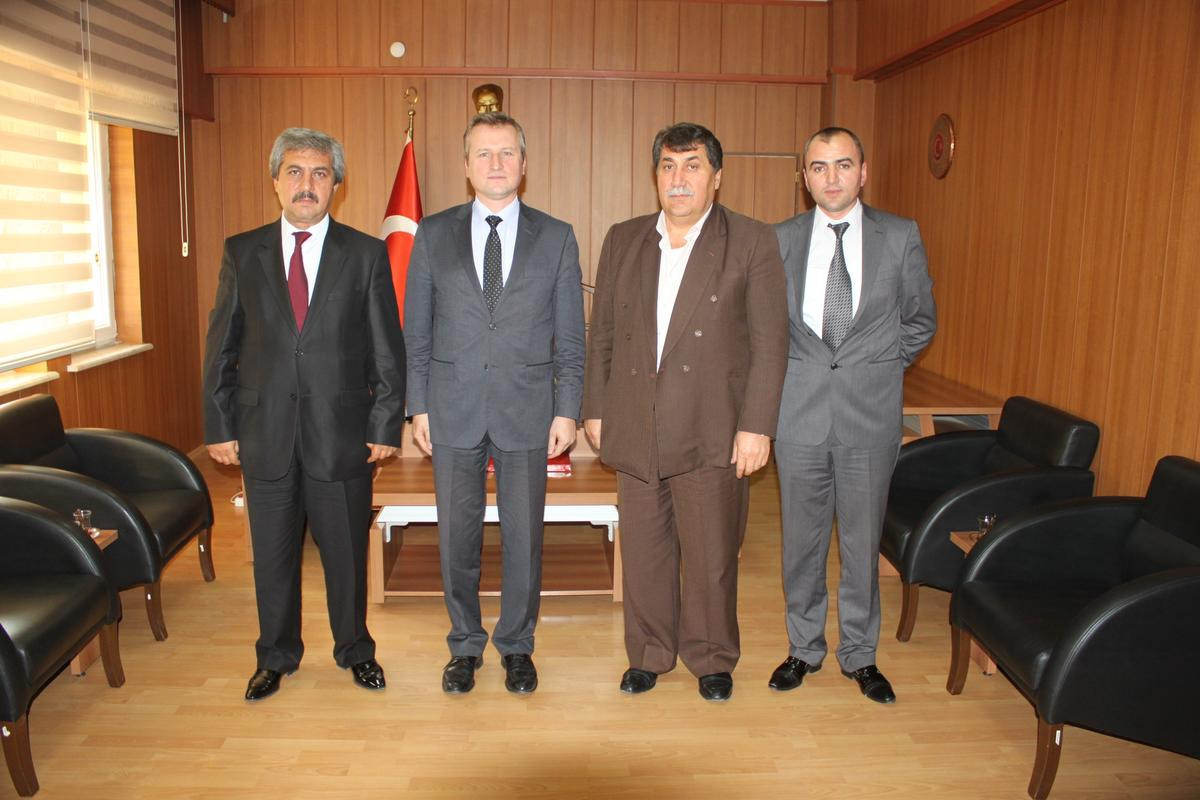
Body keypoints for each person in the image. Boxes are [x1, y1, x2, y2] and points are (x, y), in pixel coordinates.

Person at [583, 122, 789, 702]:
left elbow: (771, 344)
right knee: (645, 552)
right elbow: (603, 334)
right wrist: (595, 408)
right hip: (636, 424)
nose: (679, 179)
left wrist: (757, 426)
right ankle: (649, 653)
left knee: (711, 555)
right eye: (669, 166)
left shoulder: (751, 241)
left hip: (712, 427)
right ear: (656, 176)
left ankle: (712, 657)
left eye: (693, 166)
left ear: (716, 177)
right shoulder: (624, 239)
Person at [203, 127, 406, 701]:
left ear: (337, 184)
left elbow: (387, 348)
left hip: (342, 435)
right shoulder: (242, 252)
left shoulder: (365, 254)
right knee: (272, 557)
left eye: (320, 173)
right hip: (263, 431)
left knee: (346, 554)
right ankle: (276, 656)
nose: (306, 184)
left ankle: (355, 649)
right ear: (275, 181)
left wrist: (384, 424)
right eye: (294, 171)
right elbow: (221, 345)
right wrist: (219, 425)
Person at [404, 112, 585, 695]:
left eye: (507, 152)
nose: (496, 164)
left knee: (523, 537)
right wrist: (417, 406)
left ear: (524, 164)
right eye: (483, 153)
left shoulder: (556, 236)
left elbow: (570, 336)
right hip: (451, 408)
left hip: (527, 409)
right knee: (456, 537)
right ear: (466, 166)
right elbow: (417, 332)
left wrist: (567, 409)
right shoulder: (433, 233)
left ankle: (517, 644)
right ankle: (464, 644)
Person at [769, 126, 936, 704]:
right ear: (805, 178)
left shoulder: (900, 235)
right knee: (802, 544)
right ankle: (804, 648)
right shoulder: (781, 239)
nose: (831, 177)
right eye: (819, 167)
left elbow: (920, 319)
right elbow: (766, 328)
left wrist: (881, 367)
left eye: (843, 165)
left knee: (863, 545)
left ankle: (861, 656)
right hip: (799, 417)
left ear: (863, 172)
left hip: (870, 416)